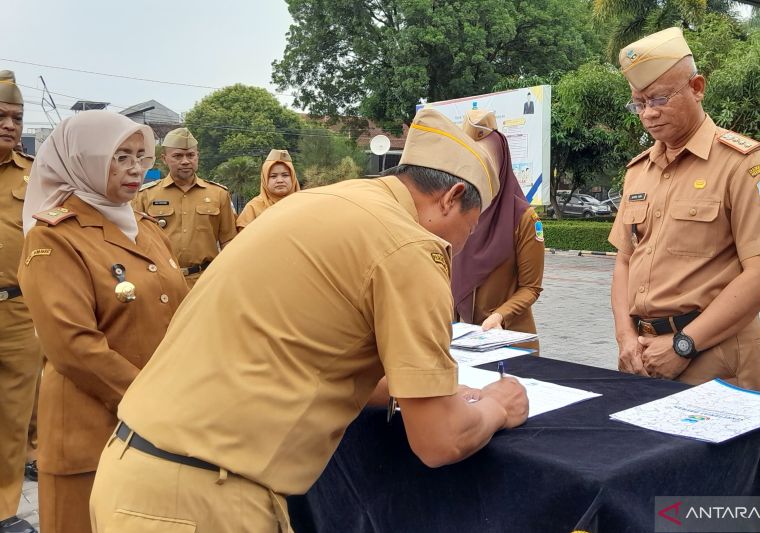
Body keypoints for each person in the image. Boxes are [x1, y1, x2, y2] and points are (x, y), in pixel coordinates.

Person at [89, 108, 529, 533]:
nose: (464, 244)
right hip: (203, 502)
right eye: (470, 229)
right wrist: (497, 407)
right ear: (452, 198)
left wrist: (416, 391)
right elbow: (439, 441)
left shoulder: (324, 202)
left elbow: (303, 354)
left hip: (132, 473)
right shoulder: (409, 245)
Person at [17, 111, 189, 533]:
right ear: (85, 160)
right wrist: (150, 402)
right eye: (120, 157)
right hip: (91, 433)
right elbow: (72, 345)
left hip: (159, 429)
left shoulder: (146, 227)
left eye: (139, 156)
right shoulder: (54, 236)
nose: (135, 169)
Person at [609, 27, 760, 391]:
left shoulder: (744, 164)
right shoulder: (639, 170)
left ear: (697, 88)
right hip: (641, 352)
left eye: (659, 98)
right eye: (639, 102)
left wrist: (684, 344)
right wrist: (624, 337)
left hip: (712, 355)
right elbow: (624, 260)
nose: (648, 113)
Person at [453, 109, 544, 352]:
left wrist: (500, 315)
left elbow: (531, 287)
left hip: (511, 340)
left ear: (502, 162)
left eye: (488, 160)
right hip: (462, 341)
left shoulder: (524, 218)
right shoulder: (457, 213)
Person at [0, 70, 39, 533]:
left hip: (17, 311)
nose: (9, 124)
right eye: (1, 115)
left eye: (16, 117)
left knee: (13, 420)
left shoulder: (36, 176)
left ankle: (5, 510)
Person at [132, 127, 237, 288]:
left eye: (190, 155)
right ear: (164, 158)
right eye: (178, 156)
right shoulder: (145, 196)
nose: (185, 161)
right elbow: (134, 242)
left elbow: (228, 240)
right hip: (161, 281)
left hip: (206, 281)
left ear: (197, 156)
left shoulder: (219, 194)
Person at [236, 149, 299, 230]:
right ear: (264, 179)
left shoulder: (305, 204)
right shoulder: (253, 208)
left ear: (293, 178)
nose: (280, 180)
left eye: (285, 175)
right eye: (273, 176)